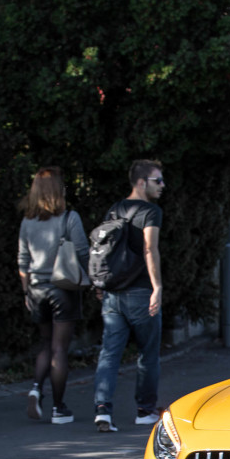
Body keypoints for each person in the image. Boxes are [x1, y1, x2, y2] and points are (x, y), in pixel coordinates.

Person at [93, 159, 164, 432]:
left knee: (109, 354)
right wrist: (157, 287)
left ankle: (103, 411)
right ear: (141, 182)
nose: (162, 186)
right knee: (148, 354)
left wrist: (100, 283)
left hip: (112, 293)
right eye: (157, 180)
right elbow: (150, 248)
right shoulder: (150, 211)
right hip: (141, 293)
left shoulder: (115, 209)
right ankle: (145, 410)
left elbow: (103, 249)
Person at [17, 167, 88, 424]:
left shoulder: (27, 221)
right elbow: (82, 251)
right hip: (63, 288)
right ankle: (59, 408)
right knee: (60, 348)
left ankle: (36, 386)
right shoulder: (69, 218)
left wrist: (26, 292)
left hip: (36, 289)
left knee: (45, 344)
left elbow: (22, 260)